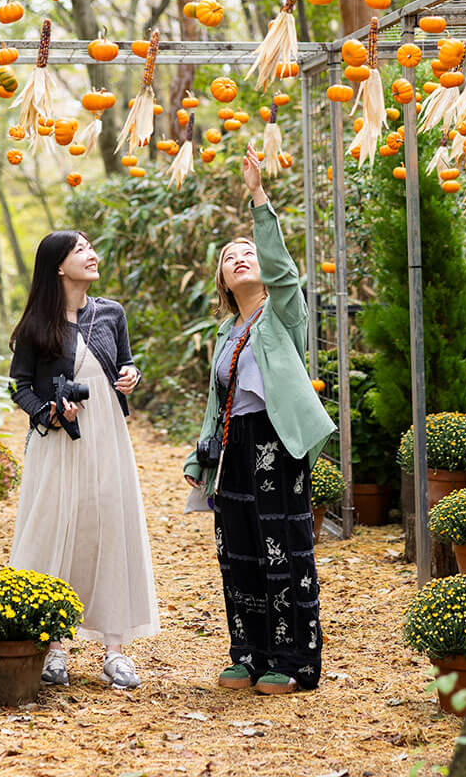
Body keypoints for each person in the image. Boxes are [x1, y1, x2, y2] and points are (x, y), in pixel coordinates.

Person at [183, 150, 335, 695]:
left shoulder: (283, 312)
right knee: (238, 548)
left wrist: (258, 198)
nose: (240, 258)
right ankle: (248, 652)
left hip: (277, 441)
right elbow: (215, 401)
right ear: (222, 279)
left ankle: (294, 659)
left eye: (247, 252)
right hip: (235, 447)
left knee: (281, 545)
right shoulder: (225, 333)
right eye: (230, 256)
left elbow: (282, 269)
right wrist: (199, 455)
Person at [8, 230, 159, 690]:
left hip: (107, 437)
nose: (92, 255)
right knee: (56, 530)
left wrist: (130, 375)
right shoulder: (36, 323)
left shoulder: (111, 313)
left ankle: (116, 651)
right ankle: (54, 645)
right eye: (80, 250)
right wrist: (48, 413)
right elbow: (19, 387)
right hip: (58, 443)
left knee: (110, 528)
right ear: (58, 266)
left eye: (90, 247)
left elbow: (126, 364)